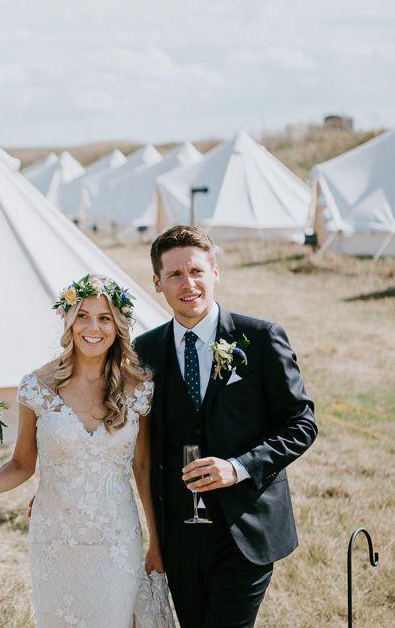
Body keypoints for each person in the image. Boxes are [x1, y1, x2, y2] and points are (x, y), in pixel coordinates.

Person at [0, 274, 175, 627]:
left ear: (117, 325)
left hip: (116, 539)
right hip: (54, 539)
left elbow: (144, 466)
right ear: (69, 320)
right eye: (83, 316)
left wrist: (156, 542)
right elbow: (21, 464)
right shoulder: (37, 386)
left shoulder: (138, 388)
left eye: (104, 318)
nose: (93, 327)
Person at [133, 225, 318, 628]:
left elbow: (301, 424)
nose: (189, 284)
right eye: (175, 275)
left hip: (246, 530)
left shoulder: (261, 338)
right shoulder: (144, 351)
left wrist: (237, 467)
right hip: (179, 536)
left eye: (197, 271)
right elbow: (133, 441)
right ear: (157, 282)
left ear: (215, 272)